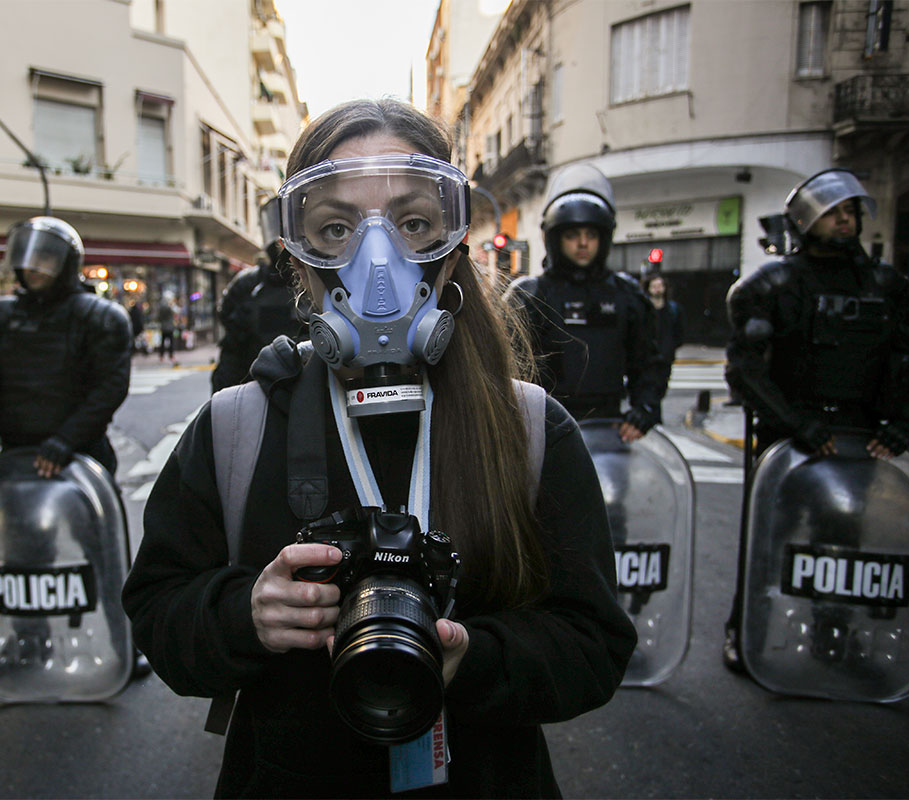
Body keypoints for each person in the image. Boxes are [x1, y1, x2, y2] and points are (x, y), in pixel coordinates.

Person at [122, 99, 634, 798]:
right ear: (297, 261)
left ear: (452, 248)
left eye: (414, 223)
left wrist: (473, 660)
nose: (378, 264)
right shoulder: (236, 429)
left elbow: (596, 647)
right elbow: (156, 612)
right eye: (335, 228)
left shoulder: (529, 427)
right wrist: (247, 614)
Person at [721, 168, 909, 672]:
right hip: (788, 438)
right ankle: (746, 635)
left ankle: (834, 634)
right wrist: (796, 426)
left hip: (857, 438)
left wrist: (900, 423)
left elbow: (906, 362)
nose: (844, 220)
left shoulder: (887, 286)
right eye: (834, 212)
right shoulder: (772, 285)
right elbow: (747, 371)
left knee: (845, 546)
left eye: (851, 211)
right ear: (806, 220)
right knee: (769, 539)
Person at [0, 215, 151, 678]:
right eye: (28, 258)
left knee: (102, 554)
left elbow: (108, 387)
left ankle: (123, 642)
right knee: (23, 560)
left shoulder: (100, 316)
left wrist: (65, 441)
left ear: (65, 263)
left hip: (80, 456)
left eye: (45, 258)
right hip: (16, 458)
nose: (33, 268)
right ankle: (29, 640)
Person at [506, 167, 666, 443]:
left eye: (591, 235)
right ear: (555, 238)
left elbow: (649, 363)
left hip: (609, 427)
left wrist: (645, 409)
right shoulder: (529, 295)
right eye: (572, 235)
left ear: (603, 238)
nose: (583, 243)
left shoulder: (626, 296)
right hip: (543, 427)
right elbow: (505, 366)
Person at [211, 211, 309, 393]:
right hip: (256, 390)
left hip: (308, 390)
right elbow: (232, 353)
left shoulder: (315, 281)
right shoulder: (248, 286)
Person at [642, 272, 685, 392]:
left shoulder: (673, 310)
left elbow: (679, 332)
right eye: (654, 286)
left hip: (665, 357)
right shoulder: (643, 309)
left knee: (661, 387)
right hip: (647, 357)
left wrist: (671, 347)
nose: (657, 289)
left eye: (660, 286)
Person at [155, 293, 177, 364]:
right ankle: (171, 356)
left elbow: (159, 317)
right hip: (169, 327)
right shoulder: (169, 307)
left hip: (163, 327)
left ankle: (161, 356)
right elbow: (175, 312)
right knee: (171, 342)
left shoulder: (161, 307)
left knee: (163, 342)